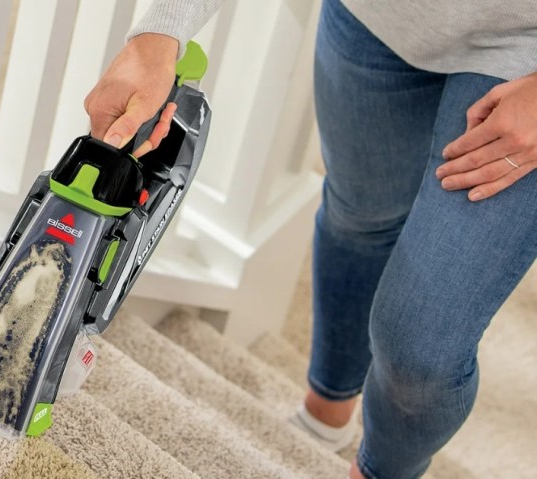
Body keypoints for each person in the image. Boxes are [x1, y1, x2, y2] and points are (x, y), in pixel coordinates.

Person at [85, 0, 537, 477]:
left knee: (420, 348)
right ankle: (326, 413)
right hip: (373, 21)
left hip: (523, 51)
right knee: (359, 221)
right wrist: (159, 33)